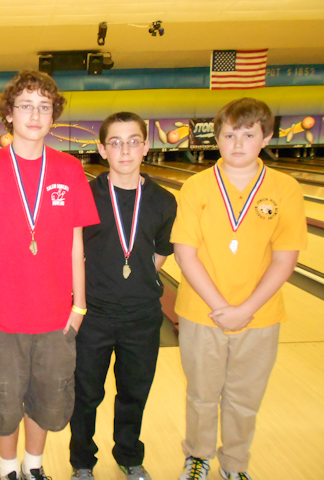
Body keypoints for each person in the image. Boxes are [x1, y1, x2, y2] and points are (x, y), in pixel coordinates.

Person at [0, 70, 99, 480]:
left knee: (47, 397)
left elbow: (78, 243)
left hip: (55, 314)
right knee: (4, 399)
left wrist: (79, 305)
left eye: (44, 107)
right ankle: (8, 469)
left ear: (53, 116)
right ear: (9, 113)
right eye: (26, 105)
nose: (35, 114)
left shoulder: (70, 169)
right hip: (2, 316)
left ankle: (34, 466)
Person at [172, 98, 307, 480]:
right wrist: (222, 308)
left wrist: (246, 308)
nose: (237, 143)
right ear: (216, 138)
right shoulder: (195, 186)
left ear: (265, 137)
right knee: (201, 395)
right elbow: (185, 253)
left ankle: (234, 464)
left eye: (248, 135)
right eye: (229, 134)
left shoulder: (286, 188)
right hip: (202, 312)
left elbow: (285, 259)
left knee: (244, 399)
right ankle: (197, 456)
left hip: (260, 315)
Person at [69, 112, 177, 480]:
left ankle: (129, 455)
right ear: (102, 149)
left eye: (134, 141)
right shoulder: (85, 195)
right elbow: (71, 253)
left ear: (146, 145)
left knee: (133, 393)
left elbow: (159, 255)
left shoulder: (163, 201)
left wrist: (133, 279)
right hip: (93, 316)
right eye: (115, 142)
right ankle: (82, 461)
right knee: (85, 395)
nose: (125, 150)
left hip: (142, 317)